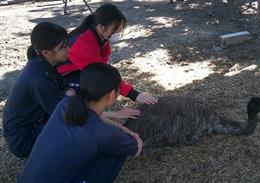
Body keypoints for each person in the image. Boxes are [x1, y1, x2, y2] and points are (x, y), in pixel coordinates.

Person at [17, 63, 143, 183]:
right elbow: (135, 149)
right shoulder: (103, 133)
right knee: (117, 151)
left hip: (25, 179)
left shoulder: (65, 104)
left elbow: (95, 120)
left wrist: (125, 129)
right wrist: (134, 136)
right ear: (112, 94)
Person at [57, 4, 158, 105]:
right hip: (63, 78)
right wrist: (134, 95)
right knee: (94, 93)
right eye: (116, 29)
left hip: (79, 71)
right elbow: (100, 74)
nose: (118, 33)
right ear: (101, 27)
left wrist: (116, 81)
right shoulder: (84, 43)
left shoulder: (101, 37)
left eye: (120, 29)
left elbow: (103, 67)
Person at [2, 22, 72, 158]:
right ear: (47, 53)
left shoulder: (42, 63)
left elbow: (65, 87)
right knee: (73, 127)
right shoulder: (38, 78)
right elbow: (67, 113)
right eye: (63, 47)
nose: (68, 49)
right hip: (23, 140)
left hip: (34, 123)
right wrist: (101, 114)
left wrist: (70, 95)